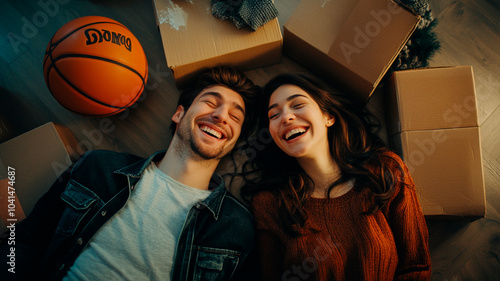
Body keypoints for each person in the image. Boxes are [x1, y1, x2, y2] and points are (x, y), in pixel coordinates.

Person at [0, 66, 260, 281]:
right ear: (179, 114)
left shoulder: (236, 226)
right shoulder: (99, 166)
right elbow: (25, 241)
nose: (221, 115)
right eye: (211, 102)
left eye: (235, 117)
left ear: (233, 142)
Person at [242, 73, 432, 280]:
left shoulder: (384, 170)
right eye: (274, 115)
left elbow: (416, 267)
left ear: (328, 117)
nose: (286, 117)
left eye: (297, 105)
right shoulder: (268, 204)